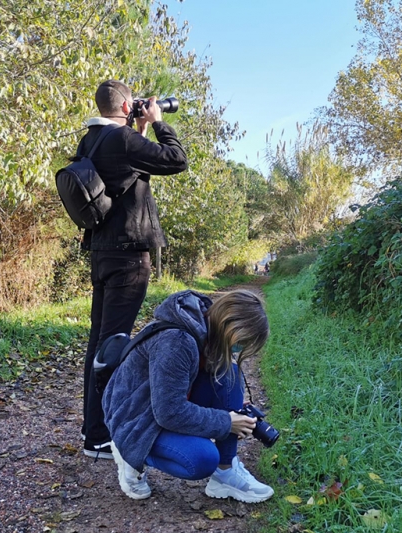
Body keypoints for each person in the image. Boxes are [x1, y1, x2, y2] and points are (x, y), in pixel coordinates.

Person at [78, 80, 188, 459]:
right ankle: (105, 435)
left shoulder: (90, 140)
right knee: (115, 347)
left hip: (101, 254)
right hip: (127, 257)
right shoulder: (120, 141)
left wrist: (137, 130)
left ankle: (94, 432)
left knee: (100, 342)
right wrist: (159, 123)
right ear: (127, 105)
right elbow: (176, 160)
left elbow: (125, 177)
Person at [102, 289, 275, 503]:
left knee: (229, 374)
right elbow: (169, 413)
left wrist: (230, 405)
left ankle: (226, 472)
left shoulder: (203, 324)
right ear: (232, 328)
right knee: (202, 459)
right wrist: (225, 421)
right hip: (134, 418)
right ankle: (128, 453)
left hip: (160, 402)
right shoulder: (177, 341)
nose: (238, 350)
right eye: (241, 343)